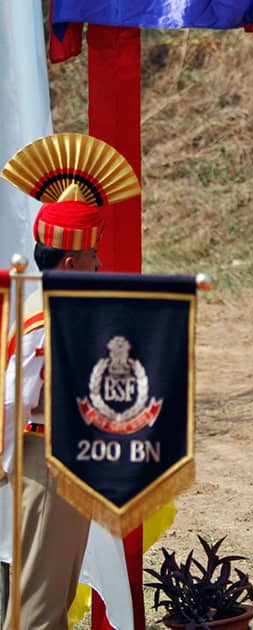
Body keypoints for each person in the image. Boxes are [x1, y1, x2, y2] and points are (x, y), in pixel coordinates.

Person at [1, 132, 139, 629]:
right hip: (44, 463)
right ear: (69, 262)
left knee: (50, 595)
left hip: (61, 461)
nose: (100, 264)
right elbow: (16, 398)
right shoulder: (45, 316)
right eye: (93, 257)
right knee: (39, 604)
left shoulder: (55, 306)